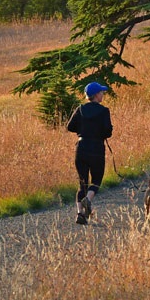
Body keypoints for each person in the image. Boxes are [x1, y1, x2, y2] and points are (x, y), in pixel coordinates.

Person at [66, 81, 113, 224]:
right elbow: (108, 132)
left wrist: (83, 130)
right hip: (97, 148)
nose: (103, 94)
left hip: (81, 148)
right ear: (96, 95)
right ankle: (88, 199)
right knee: (96, 180)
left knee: (82, 183)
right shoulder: (104, 111)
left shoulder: (80, 109)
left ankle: (80, 214)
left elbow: (70, 126)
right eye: (102, 92)